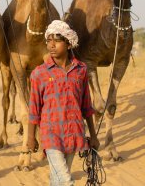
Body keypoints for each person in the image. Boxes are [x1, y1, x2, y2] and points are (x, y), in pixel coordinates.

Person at [27, 20, 99, 186]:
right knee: (66, 180)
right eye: (49, 40)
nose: (51, 45)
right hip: (51, 134)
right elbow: (34, 108)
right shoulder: (39, 74)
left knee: (57, 179)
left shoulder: (80, 70)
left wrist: (93, 136)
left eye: (57, 40)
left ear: (68, 44)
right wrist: (31, 137)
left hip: (74, 133)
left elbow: (86, 106)